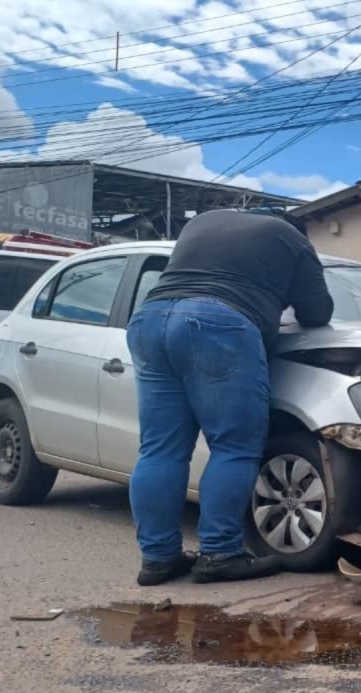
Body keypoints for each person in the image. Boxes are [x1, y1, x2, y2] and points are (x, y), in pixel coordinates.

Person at [127, 209, 334, 586]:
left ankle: (158, 559)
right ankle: (220, 553)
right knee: (234, 447)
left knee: (159, 449)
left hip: (150, 320)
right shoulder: (293, 240)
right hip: (217, 324)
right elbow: (318, 312)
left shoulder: (203, 221)